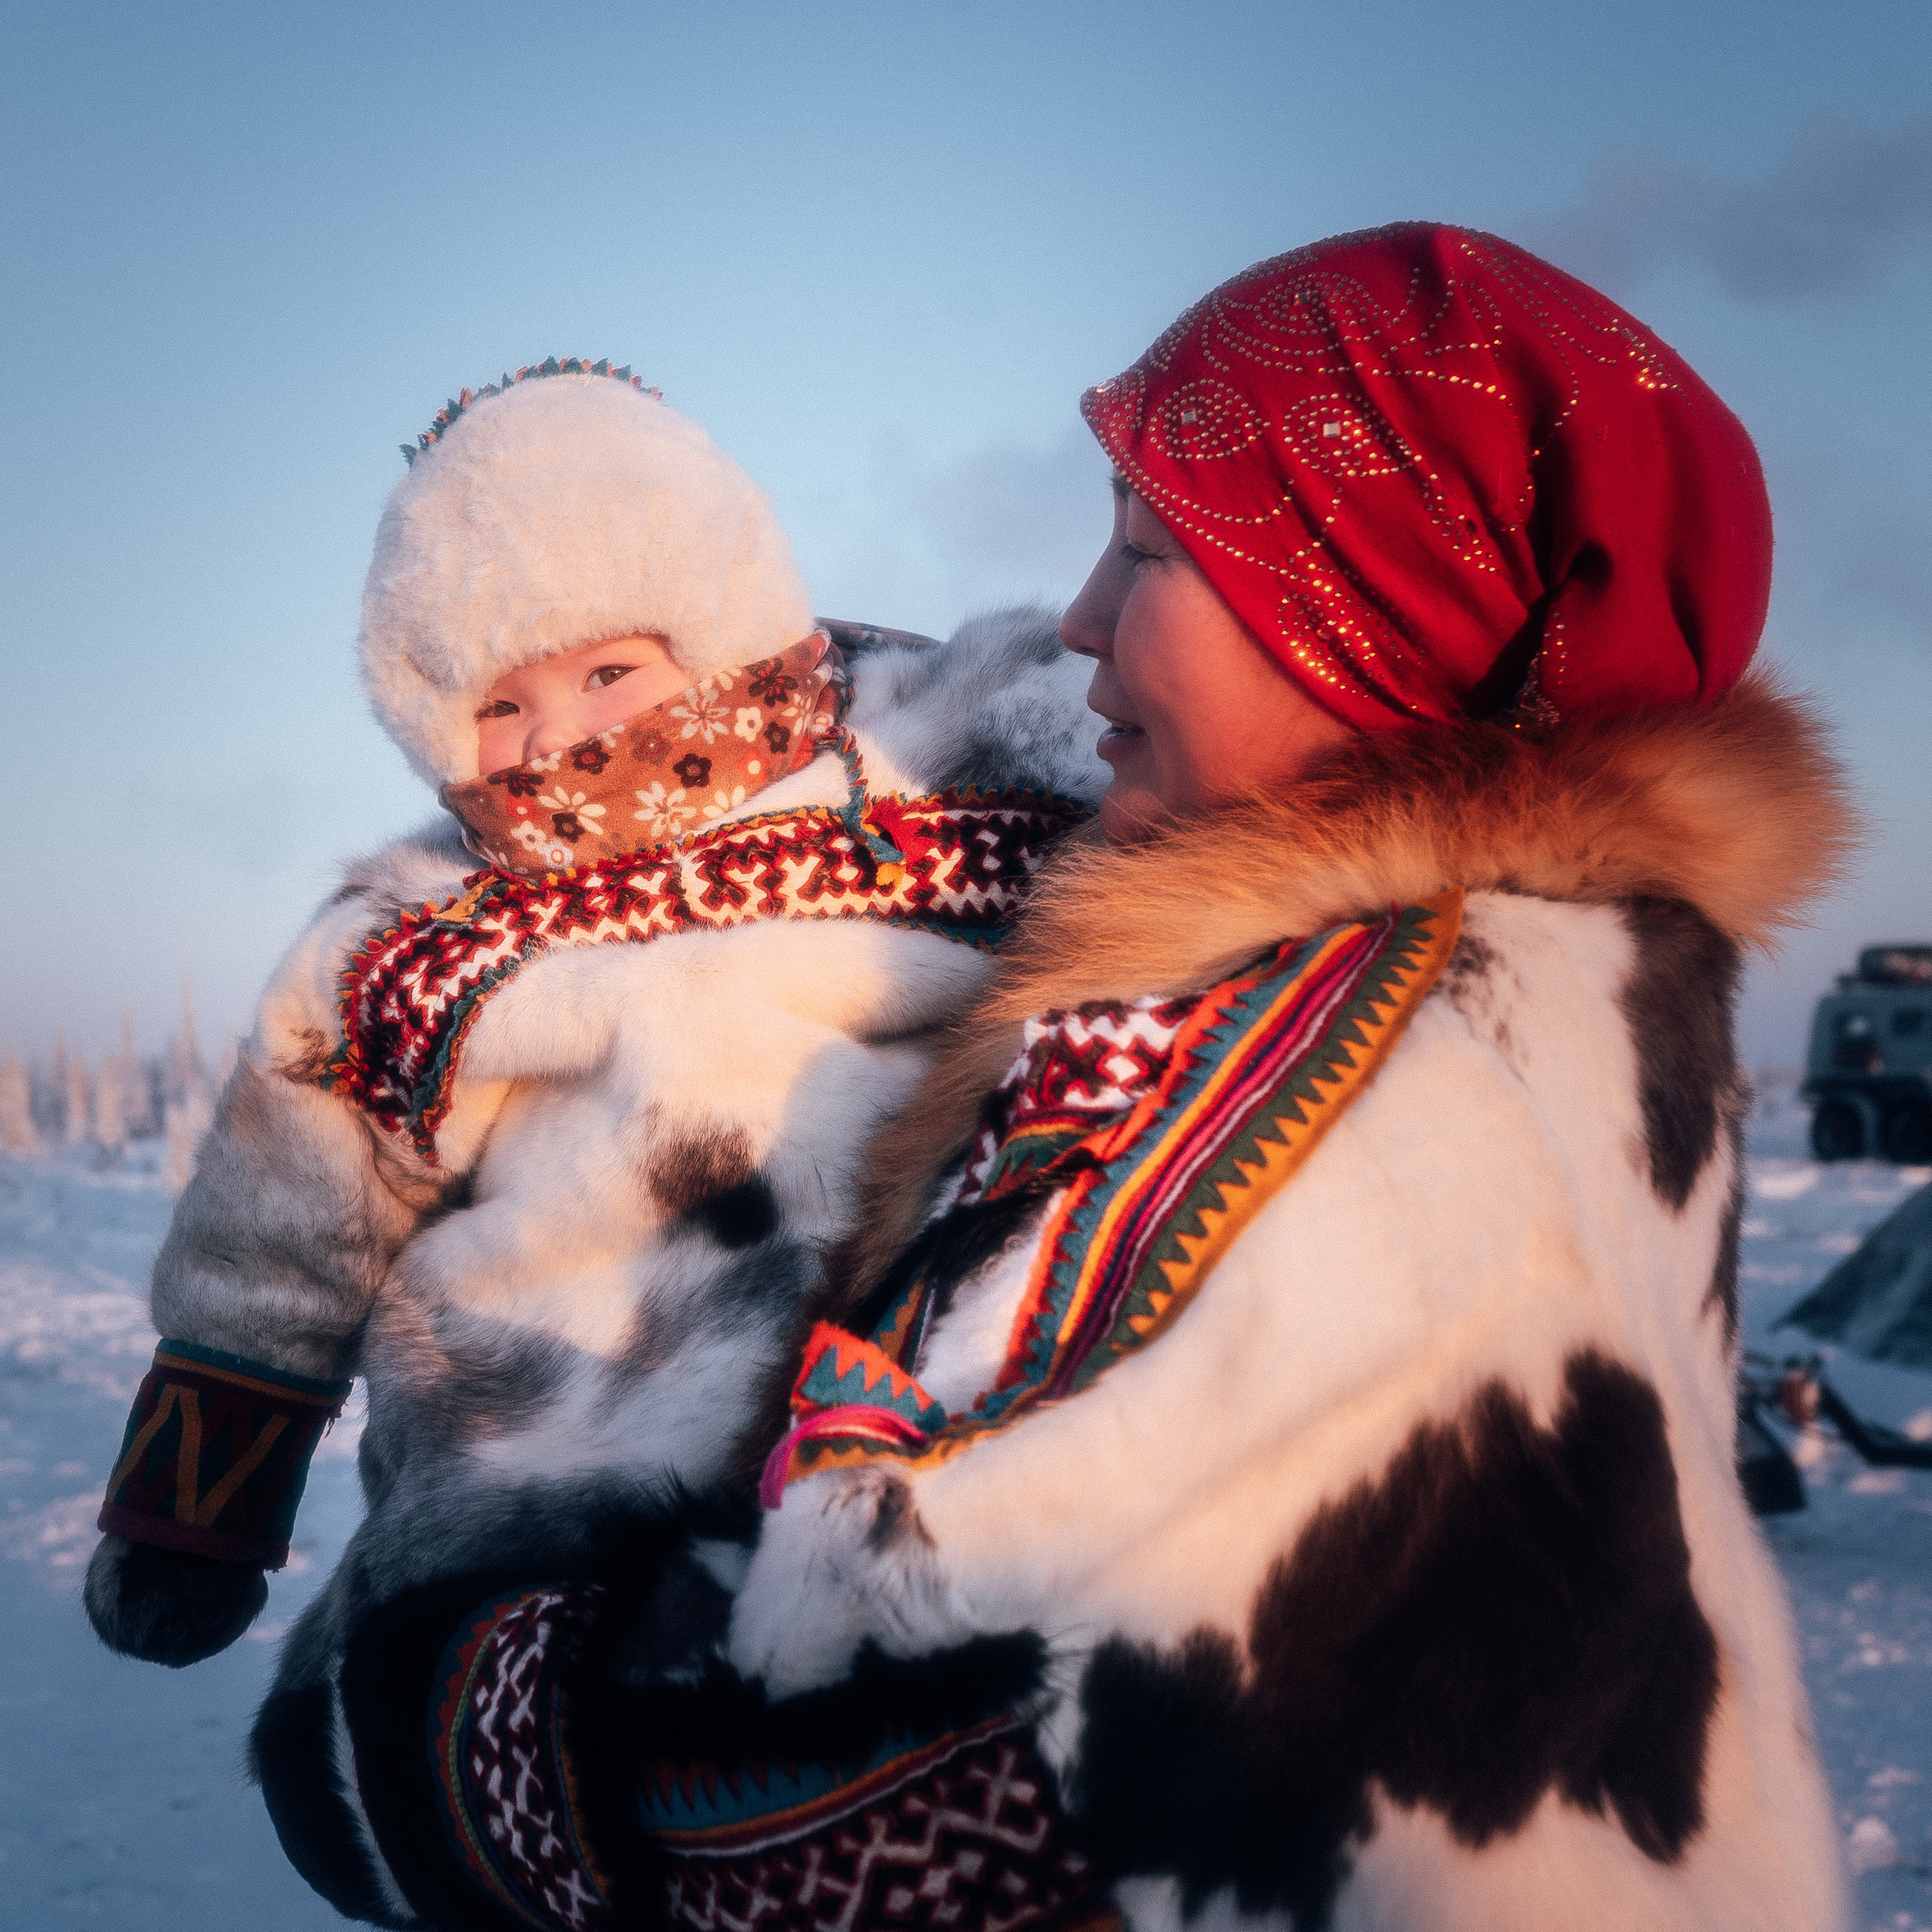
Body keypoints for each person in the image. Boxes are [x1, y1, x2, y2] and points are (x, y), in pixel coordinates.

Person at [251, 230, 1860, 1932]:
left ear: (1359, 609)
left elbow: (927, 1812)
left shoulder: (1380, 1101)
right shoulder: (1518, 989)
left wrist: (437, 1700)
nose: (1078, 614)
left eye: (1148, 549)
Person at [78, 359, 1102, 1872]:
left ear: (722, 620)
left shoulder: (941, 774)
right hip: (535, 1448)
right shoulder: (421, 932)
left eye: (609, 672)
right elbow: (282, 1207)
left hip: (899, 1406)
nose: (559, 736)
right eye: (500, 702)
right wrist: (192, 1499)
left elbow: (1183, 787)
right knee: (474, 1764)